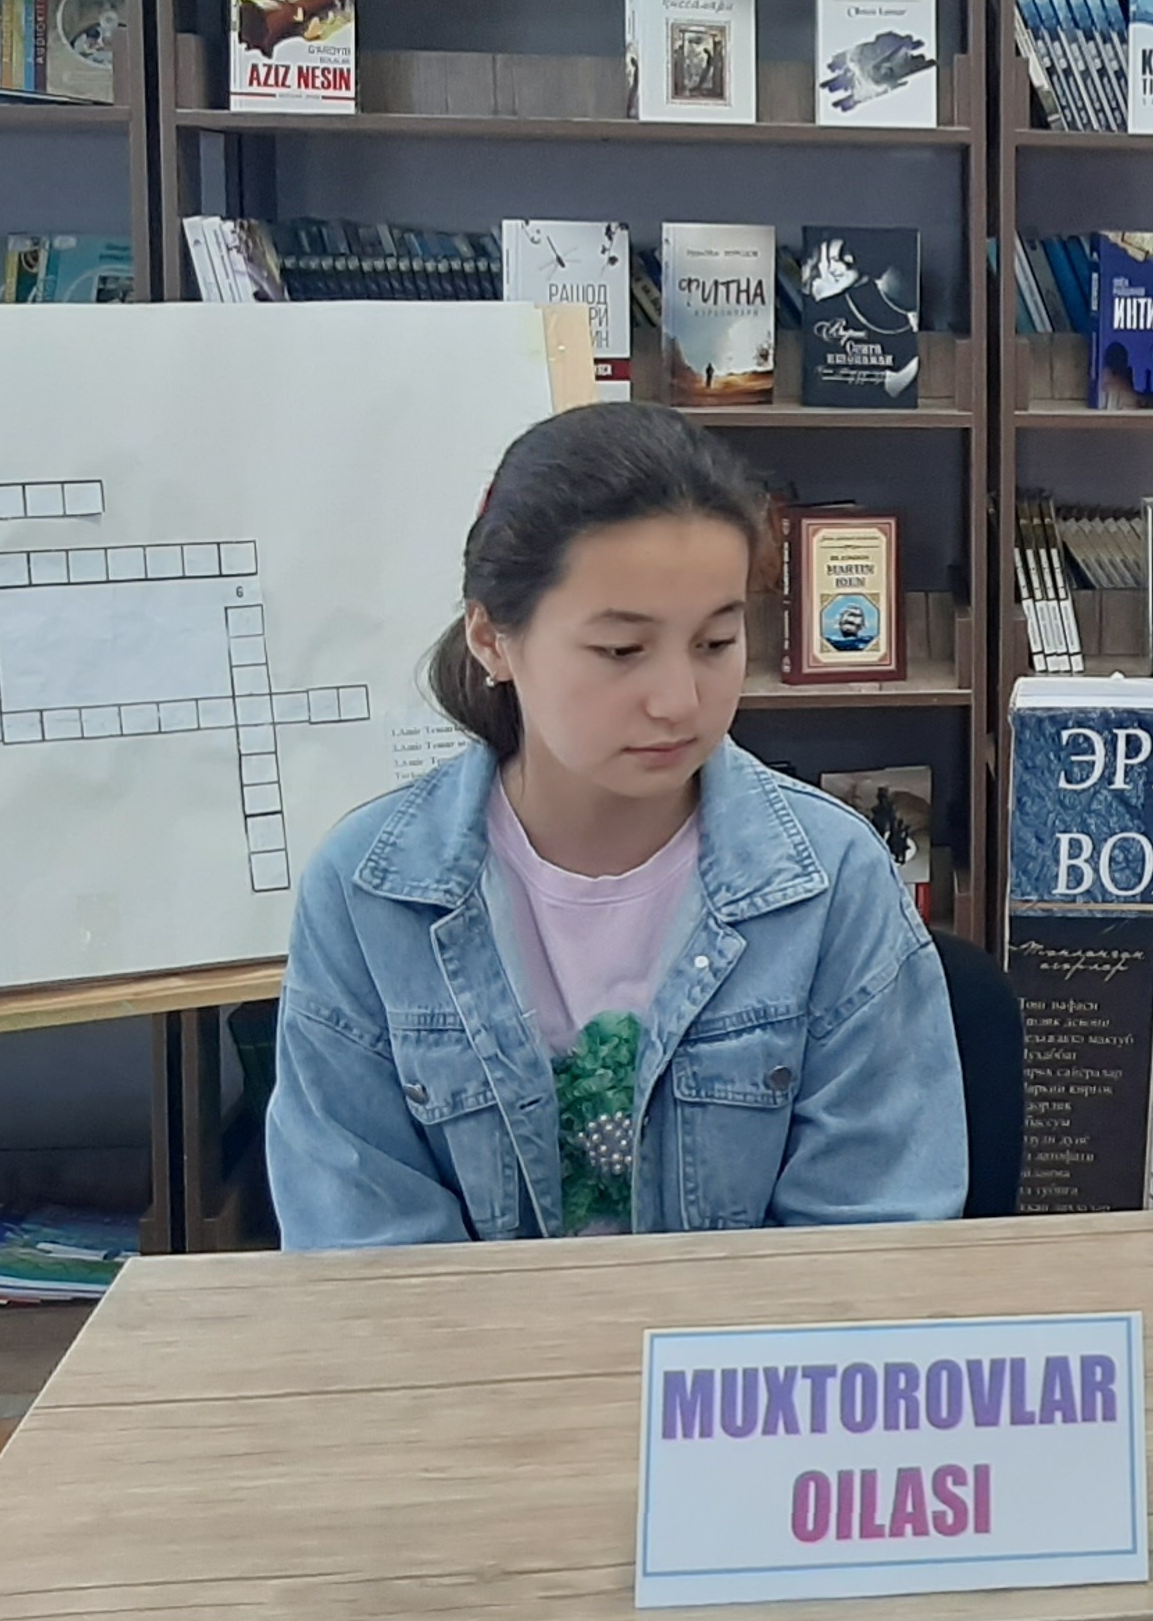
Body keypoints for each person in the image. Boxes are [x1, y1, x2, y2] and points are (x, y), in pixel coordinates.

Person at [270, 403, 966, 1245]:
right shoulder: (371, 891)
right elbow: (361, 1252)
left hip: (759, 1338)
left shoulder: (833, 879)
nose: (678, 701)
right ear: (492, 638)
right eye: (621, 651)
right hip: (464, 1338)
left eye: (716, 642)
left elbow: (872, 1240)